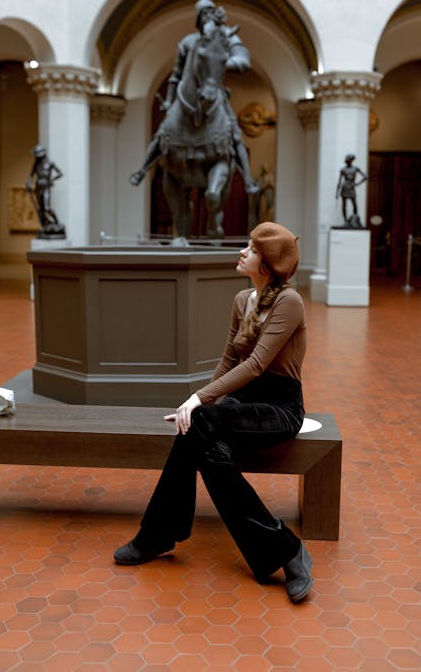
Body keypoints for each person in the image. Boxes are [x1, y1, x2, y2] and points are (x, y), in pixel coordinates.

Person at [114, 222, 313, 603]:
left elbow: (256, 364)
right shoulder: (242, 300)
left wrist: (199, 402)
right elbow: (227, 361)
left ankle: (156, 535)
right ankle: (286, 550)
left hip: (280, 407)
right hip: (241, 401)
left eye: (251, 249)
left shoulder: (290, 302)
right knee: (199, 436)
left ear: (267, 264)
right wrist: (198, 401)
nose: (242, 252)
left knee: (196, 426)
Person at [132, 0, 259, 194]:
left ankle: (248, 178)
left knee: (235, 133)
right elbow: (175, 75)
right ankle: (142, 169)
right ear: (199, 18)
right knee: (162, 132)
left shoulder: (226, 36)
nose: (208, 16)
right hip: (185, 95)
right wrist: (168, 100)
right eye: (204, 13)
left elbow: (243, 61)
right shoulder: (187, 42)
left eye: (211, 12)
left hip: (215, 93)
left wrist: (218, 63)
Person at [25, 145, 66, 237]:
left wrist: (52, 179)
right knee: (42, 209)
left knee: (47, 207)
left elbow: (60, 173)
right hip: (38, 187)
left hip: (46, 186)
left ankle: (56, 222)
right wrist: (28, 183)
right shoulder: (36, 165)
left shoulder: (50, 163)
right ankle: (46, 224)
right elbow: (31, 175)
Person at [336, 153, 367, 226]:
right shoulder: (343, 169)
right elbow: (339, 181)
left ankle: (355, 219)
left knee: (354, 204)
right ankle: (345, 220)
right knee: (344, 205)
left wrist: (357, 184)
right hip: (345, 187)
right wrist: (337, 193)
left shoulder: (355, 168)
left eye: (349, 160)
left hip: (351, 187)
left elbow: (365, 176)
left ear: (351, 161)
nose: (348, 161)